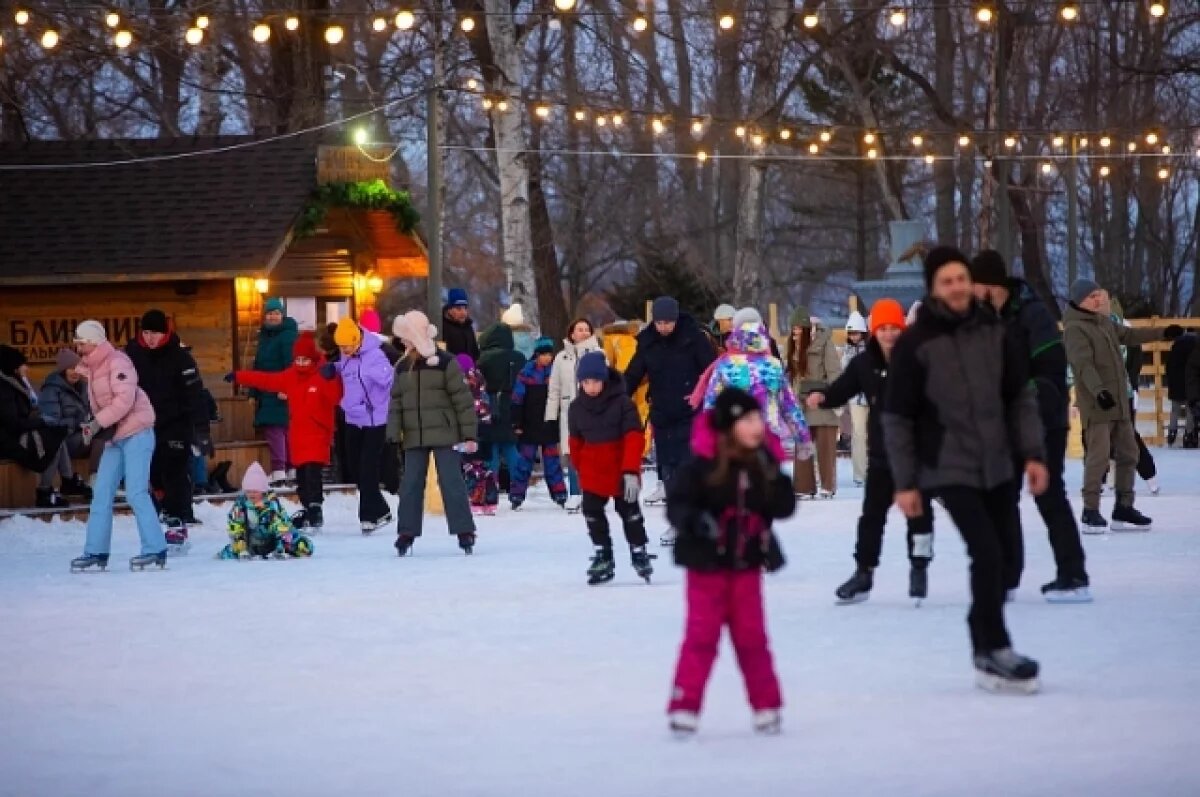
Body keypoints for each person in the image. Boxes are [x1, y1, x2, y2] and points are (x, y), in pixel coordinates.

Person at [883, 246, 1048, 694]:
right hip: (947, 465)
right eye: (946, 281)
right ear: (934, 288)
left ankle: (987, 641)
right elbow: (897, 417)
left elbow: (1020, 397)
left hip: (998, 460)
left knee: (1006, 554)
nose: (956, 287)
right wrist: (905, 482)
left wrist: (1032, 454)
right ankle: (993, 646)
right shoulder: (917, 343)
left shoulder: (995, 331)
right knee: (987, 553)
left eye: (961, 278)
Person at [665, 388, 796, 736]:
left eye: (758, 419)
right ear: (729, 426)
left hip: (746, 568)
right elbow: (676, 505)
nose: (757, 426)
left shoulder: (760, 463)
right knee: (701, 637)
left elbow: (784, 507)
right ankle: (684, 706)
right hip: (705, 568)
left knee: (752, 638)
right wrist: (694, 521)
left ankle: (767, 706)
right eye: (748, 420)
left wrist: (773, 472)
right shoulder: (701, 465)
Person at [970, 250, 1091, 602]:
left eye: (975, 285)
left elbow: (1052, 373)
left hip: (1043, 423)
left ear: (990, 285)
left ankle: (1074, 575)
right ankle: (1006, 578)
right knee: (1002, 499)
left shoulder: (1034, 315)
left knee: (1048, 495)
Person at [808, 299, 935, 604]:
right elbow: (842, 388)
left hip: (915, 454)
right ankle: (863, 572)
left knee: (919, 515)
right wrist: (823, 397)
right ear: (874, 331)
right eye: (883, 329)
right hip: (881, 454)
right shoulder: (864, 363)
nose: (889, 334)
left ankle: (919, 565)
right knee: (872, 517)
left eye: (894, 328)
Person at [1062, 279, 1175, 532]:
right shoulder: (1075, 329)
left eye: (1098, 295)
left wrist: (1163, 332)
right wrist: (1099, 392)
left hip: (1120, 403)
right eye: (1092, 296)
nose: (1099, 299)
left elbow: (1131, 335)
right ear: (1080, 300)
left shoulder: (1103, 323)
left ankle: (1123, 508)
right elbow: (1083, 366)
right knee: (1098, 458)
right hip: (1097, 404)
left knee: (1129, 454)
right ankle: (1090, 511)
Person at [69, 320, 169, 573]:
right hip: (115, 436)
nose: (77, 345)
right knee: (101, 492)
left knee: (136, 491)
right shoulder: (92, 368)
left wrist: (96, 425)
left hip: (137, 433)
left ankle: (155, 548)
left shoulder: (118, 362)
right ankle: (96, 551)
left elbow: (124, 400)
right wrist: (93, 424)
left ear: (92, 341)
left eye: (80, 341)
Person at [229, 332, 342, 531]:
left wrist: (332, 378)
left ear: (313, 359)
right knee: (302, 479)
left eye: (304, 359)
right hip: (298, 436)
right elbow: (265, 380)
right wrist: (239, 376)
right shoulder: (290, 376)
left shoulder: (323, 374)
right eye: (297, 359)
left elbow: (336, 398)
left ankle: (315, 509)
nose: (300, 363)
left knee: (312, 474)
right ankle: (308, 509)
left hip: (317, 434)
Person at [388, 311, 479, 556]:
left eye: (406, 338)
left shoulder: (445, 362)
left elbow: (462, 400)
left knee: (451, 482)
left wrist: (468, 434)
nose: (403, 343)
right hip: (414, 435)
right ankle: (406, 532)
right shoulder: (402, 366)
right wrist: (394, 431)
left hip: (445, 433)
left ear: (415, 336)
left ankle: (464, 531)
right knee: (410, 485)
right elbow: (396, 401)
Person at [623, 296, 717, 520]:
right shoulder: (648, 343)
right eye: (659, 323)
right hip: (663, 414)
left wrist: (704, 396)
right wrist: (616, 396)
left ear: (676, 320)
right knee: (668, 470)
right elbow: (633, 374)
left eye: (668, 322)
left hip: (690, 412)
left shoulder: (694, 338)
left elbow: (712, 371)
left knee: (689, 466)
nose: (663, 327)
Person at [568, 351, 653, 585]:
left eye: (596, 381)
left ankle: (638, 550)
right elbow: (575, 442)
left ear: (604, 380)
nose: (591, 387)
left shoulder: (623, 403)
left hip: (620, 469)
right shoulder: (576, 408)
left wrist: (630, 471)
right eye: (586, 382)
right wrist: (580, 468)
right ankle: (603, 553)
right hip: (593, 471)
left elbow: (634, 437)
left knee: (630, 513)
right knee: (592, 512)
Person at [125, 309, 207, 536]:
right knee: (153, 471)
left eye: (156, 333)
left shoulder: (180, 356)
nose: (151, 338)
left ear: (165, 333)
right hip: (144, 422)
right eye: (147, 332)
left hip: (175, 422)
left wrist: (200, 428)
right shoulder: (132, 354)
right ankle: (165, 509)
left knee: (175, 470)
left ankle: (179, 516)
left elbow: (195, 393)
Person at [695, 321, 811, 455]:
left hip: (735, 432)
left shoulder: (725, 365)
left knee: (737, 472)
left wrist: (708, 438)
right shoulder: (773, 365)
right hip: (768, 433)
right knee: (764, 473)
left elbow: (711, 403)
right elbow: (789, 404)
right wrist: (803, 437)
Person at [323, 317, 395, 533]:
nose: (344, 350)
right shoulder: (346, 356)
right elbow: (347, 370)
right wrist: (333, 368)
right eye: (341, 347)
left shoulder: (376, 356)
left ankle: (369, 516)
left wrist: (382, 377)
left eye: (347, 346)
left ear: (358, 340)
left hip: (374, 419)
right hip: (352, 417)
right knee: (354, 468)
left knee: (367, 468)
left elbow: (390, 380)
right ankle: (381, 510)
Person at [546, 318, 602, 512]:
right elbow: (554, 389)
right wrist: (550, 418)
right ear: (572, 333)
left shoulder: (599, 355)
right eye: (580, 329)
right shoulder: (561, 358)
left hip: (594, 412)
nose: (584, 332)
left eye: (587, 329)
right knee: (572, 453)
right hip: (569, 412)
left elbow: (608, 383)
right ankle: (575, 493)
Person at [786, 307, 843, 498]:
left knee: (826, 447)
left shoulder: (824, 343)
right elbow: (794, 377)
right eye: (792, 329)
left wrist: (828, 394)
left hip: (822, 401)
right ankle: (803, 487)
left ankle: (827, 486)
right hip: (801, 404)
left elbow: (834, 372)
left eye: (798, 329)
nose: (794, 333)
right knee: (802, 446)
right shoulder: (793, 347)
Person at [509, 337, 568, 509]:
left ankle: (560, 494)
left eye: (549, 354)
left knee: (552, 462)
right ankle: (517, 496)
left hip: (549, 423)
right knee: (524, 462)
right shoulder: (526, 373)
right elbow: (517, 399)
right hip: (529, 424)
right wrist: (517, 423)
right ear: (537, 354)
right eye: (543, 354)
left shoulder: (555, 372)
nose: (547, 357)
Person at [35, 348, 97, 506]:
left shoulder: (83, 387)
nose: (75, 372)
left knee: (109, 437)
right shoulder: (51, 389)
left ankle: (102, 482)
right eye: (71, 368)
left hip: (81, 434)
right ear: (63, 370)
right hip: (63, 439)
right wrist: (77, 422)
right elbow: (50, 422)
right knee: (99, 440)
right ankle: (77, 481)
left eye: (78, 368)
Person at [0, 345, 69, 481]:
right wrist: (42, 421)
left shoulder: (17, 383)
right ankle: (45, 490)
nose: (26, 368)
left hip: (16, 435)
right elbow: (13, 424)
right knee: (53, 439)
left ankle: (66, 481)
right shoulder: (4, 389)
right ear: (13, 367)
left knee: (57, 434)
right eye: (23, 364)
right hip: (7, 440)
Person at [217, 462, 313, 560]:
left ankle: (292, 546)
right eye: (248, 491)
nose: (251, 494)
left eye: (255, 491)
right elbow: (235, 525)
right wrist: (240, 544)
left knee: (302, 546)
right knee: (228, 554)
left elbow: (282, 526)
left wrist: (280, 547)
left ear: (263, 491)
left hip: (272, 541)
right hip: (250, 542)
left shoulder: (272, 504)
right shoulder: (241, 505)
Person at [251, 298, 298, 483]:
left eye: (276, 313)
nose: (273, 316)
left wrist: (287, 387)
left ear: (282, 315)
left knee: (276, 428)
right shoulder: (265, 336)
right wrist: (253, 392)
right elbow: (259, 365)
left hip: (279, 388)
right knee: (282, 429)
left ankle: (280, 469)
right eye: (270, 313)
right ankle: (290, 469)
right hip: (267, 388)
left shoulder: (287, 335)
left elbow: (291, 363)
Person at [477, 323, 527, 491]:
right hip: (512, 403)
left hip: (490, 404)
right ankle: (518, 485)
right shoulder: (519, 357)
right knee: (511, 447)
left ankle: (491, 486)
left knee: (492, 449)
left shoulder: (483, 358)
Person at [456, 353, 499, 516]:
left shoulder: (461, 382)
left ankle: (476, 500)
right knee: (485, 465)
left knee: (471, 466)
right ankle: (491, 501)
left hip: (469, 427)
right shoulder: (480, 380)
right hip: (486, 425)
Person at [601, 319, 650, 457]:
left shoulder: (610, 339)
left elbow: (608, 363)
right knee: (642, 413)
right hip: (643, 380)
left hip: (622, 381)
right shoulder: (638, 337)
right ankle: (641, 450)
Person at [842, 311, 869, 487]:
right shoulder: (847, 352)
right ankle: (860, 473)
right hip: (856, 399)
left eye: (856, 333)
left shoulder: (872, 349)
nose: (853, 336)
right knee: (859, 435)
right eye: (851, 333)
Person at [1164, 326, 1196, 447]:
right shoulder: (1196, 346)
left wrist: (1169, 379)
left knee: (1175, 409)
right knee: (1190, 410)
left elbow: (1168, 365)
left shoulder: (1176, 345)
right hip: (1190, 382)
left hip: (1176, 381)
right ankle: (1189, 434)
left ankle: (1172, 431)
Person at [440, 288, 481, 360]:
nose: (463, 312)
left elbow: (475, 353)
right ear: (449, 310)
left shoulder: (468, 327)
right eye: (458, 309)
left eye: (465, 308)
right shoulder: (443, 327)